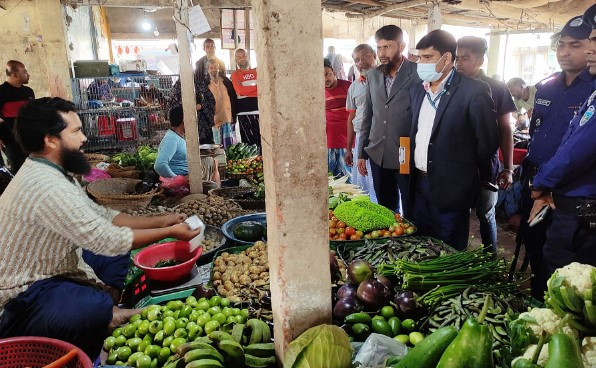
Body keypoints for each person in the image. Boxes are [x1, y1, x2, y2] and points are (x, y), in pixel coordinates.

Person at [0, 97, 201, 359]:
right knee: (91, 306)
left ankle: (109, 305)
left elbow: (103, 215)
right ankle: (103, 313)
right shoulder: (47, 187)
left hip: (57, 266)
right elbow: (106, 239)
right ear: (50, 140)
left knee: (115, 259)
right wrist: (170, 233)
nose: (83, 138)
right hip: (21, 297)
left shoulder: (53, 170)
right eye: (75, 131)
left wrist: (161, 220)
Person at [517, 15, 592, 298]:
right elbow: (537, 132)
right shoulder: (546, 87)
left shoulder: (593, 89)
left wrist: (547, 183)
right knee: (536, 247)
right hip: (536, 181)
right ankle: (537, 300)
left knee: (567, 263)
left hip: (567, 190)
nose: (564, 52)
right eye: (561, 44)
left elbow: (580, 151)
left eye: (576, 44)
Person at [409, 30, 499, 250]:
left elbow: (487, 142)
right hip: (419, 185)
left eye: (428, 57)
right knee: (421, 246)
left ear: (446, 58)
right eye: (419, 57)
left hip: (452, 189)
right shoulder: (417, 91)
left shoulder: (473, 91)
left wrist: (461, 170)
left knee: (449, 251)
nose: (421, 63)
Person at [455, 36, 517, 253]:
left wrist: (508, 168)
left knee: (486, 214)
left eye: (465, 58)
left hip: (485, 166)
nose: (459, 63)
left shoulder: (496, 88)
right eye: (456, 58)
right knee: (458, 214)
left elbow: (506, 129)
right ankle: (457, 257)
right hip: (458, 165)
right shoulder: (452, 86)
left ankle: (490, 259)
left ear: (480, 61)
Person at [357, 25, 421, 215]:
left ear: (401, 46)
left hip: (406, 153)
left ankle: (410, 242)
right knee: (385, 207)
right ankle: (391, 243)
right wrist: (361, 152)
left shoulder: (417, 74)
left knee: (411, 207)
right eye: (379, 47)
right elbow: (367, 116)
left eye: (387, 47)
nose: (382, 53)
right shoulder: (374, 75)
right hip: (377, 152)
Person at [154, 105, 220, 184]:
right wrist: (178, 180)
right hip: (183, 178)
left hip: (187, 175)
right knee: (211, 164)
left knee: (211, 161)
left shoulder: (178, 136)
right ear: (183, 121)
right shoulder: (172, 139)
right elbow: (159, 166)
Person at [345, 44, 377, 202]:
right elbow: (351, 118)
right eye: (357, 60)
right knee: (361, 186)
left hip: (378, 140)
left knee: (378, 186)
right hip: (360, 140)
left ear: (374, 56)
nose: (361, 62)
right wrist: (349, 148)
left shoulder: (386, 82)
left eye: (365, 56)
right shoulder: (354, 87)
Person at [0, 60, 34, 174]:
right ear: (14, 74)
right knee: (18, 171)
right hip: (11, 142)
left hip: (29, 139)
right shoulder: (1, 92)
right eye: (24, 72)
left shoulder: (28, 91)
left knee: (33, 169)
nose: (28, 75)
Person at [324, 58, 352, 178]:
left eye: (327, 74)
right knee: (330, 180)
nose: (325, 79)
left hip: (348, 145)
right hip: (327, 145)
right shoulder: (315, 93)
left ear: (334, 72)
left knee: (349, 181)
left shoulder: (349, 87)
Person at [231, 48, 261, 148]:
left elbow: (263, 88)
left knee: (261, 142)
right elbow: (240, 91)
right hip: (243, 113)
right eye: (239, 57)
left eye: (243, 55)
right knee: (248, 146)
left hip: (259, 112)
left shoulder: (257, 71)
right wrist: (257, 87)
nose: (242, 58)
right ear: (236, 60)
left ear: (248, 56)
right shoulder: (235, 74)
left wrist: (247, 89)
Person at [208, 59, 236, 148]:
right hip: (215, 120)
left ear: (218, 68)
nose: (214, 70)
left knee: (230, 147)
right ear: (208, 70)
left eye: (215, 67)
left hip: (228, 118)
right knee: (218, 147)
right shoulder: (206, 84)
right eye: (211, 68)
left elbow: (233, 97)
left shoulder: (226, 81)